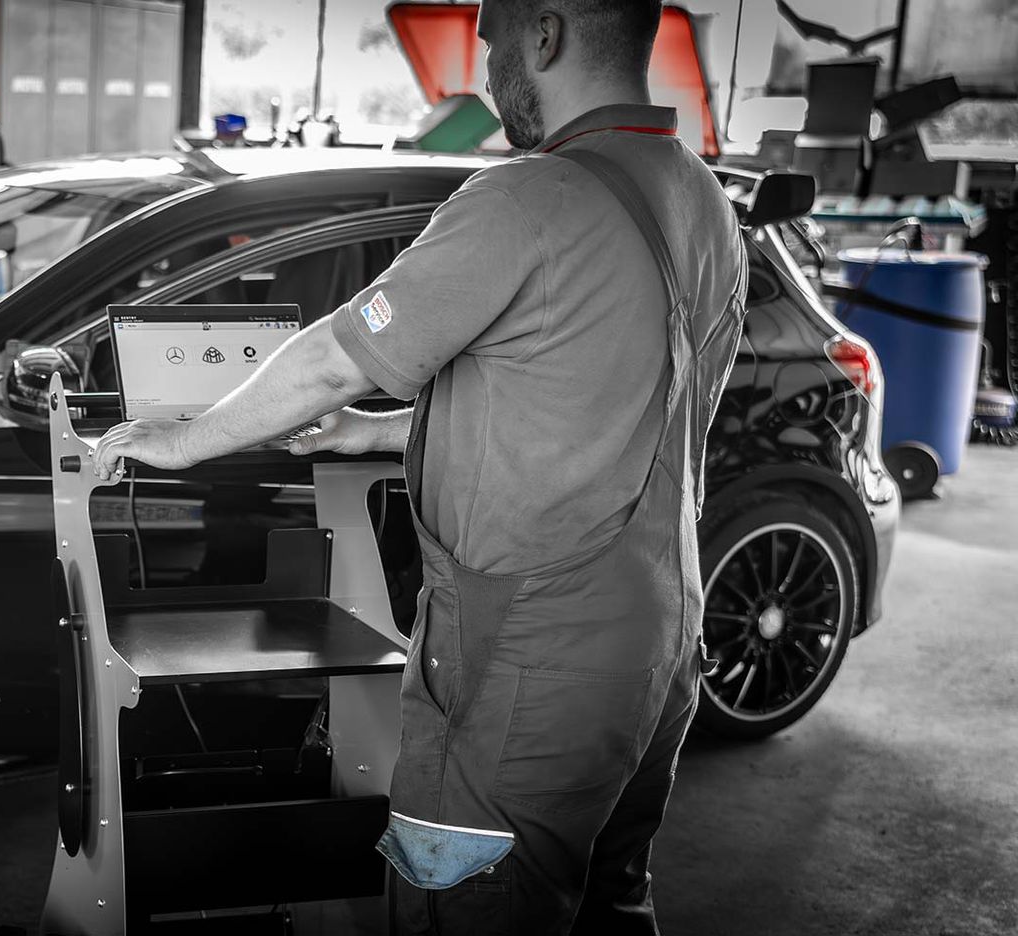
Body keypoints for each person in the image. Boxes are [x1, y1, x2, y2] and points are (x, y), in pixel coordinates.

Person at [88, 0, 748, 932]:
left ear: (545, 35)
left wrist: (181, 438)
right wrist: (384, 431)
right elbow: (593, 406)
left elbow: (327, 356)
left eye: (492, 42)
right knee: (607, 901)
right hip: (658, 642)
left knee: (463, 905)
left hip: (531, 658)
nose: (485, 72)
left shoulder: (527, 198)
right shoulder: (703, 199)